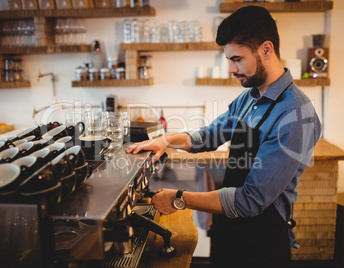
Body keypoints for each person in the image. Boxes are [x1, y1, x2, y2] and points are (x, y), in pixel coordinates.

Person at [126, 5, 321, 267]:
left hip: (262, 246)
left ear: (266, 49)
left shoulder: (296, 114)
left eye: (237, 58)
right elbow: (210, 135)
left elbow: (250, 200)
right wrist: (165, 140)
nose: (231, 68)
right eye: (228, 59)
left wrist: (179, 198)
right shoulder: (250, 97)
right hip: (230, 232)